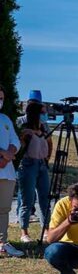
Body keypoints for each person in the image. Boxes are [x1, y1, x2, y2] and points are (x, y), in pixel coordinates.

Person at [16, 93, 52, 243]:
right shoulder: (23, 125)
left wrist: (47, 158)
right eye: (42, 112)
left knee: (45, 198)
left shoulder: (44, 126)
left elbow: (49, 142)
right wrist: (28, 134)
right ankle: (24, 232)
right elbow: (19, 144)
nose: (45, 115)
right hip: (27, 164)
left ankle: (47, 230)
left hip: (42, 164)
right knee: (27, 199)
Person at [0, 83, 23, 257]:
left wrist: (10, 153)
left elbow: (16, 140)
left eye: (1, 98)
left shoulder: (5, 119)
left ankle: (2, 242)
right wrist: (4, 154)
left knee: (4, 209)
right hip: (4, 162)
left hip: (7, 173)